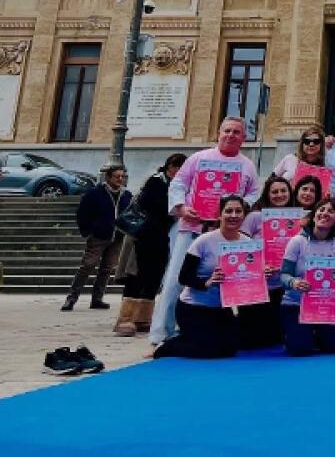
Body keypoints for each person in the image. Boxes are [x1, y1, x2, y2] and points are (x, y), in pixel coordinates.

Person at [150, 118, 258, 347]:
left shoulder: (247, 165)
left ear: (243, 138)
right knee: (174, 281)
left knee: (225, 280)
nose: (231, 135)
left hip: (226, 234)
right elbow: (178, 184)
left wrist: (242, 207)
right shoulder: (198, 158)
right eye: (227, 131)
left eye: (236, 132)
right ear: (218, 133)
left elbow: (254, 193)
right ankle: (162, 333)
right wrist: (181, 208)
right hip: (193, 228)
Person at [152, 194, 254, 360]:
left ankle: (189, 338)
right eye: (228, 211)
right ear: (220, 215)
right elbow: (184, 277)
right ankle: (168, 346)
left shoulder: (248, 243)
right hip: (194, 307)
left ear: (244, 215)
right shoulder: (204, 241)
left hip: (221, 308)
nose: (233, 215)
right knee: (208, 350)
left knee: (230, 349)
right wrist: (207, 282)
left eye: (238, 211)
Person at [114, 153, 187, 336]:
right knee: (136, 275)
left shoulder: (179, 186)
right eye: (175, 167)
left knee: (154, 276)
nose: (177, 171)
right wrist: (174, 209)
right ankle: (126, 319)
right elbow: (150, 203)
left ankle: (143, 318)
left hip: (163, 237)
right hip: (143, 235)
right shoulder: (156, 181)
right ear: (169, 166)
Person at [280, 196, 335, 357]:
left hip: (325, 304)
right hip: (295, 303)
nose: (325, 214)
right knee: (299, 349)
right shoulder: (297, 241)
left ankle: (316, 333)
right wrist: (294, 282)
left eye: (331, 211)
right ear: (314, 214)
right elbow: (283, 275)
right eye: (321, 209)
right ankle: (297, 334)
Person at [64, 164, 132, 312]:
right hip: (98, 237)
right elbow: (82, 214)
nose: (120, 179)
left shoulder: (126, 195)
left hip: (117, 238)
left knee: (107, 269)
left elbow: (129, 214)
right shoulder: (95, 193)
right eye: (117, 176)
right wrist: (88, 232)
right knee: (87, 265)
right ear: (108, 177)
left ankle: (97, 299)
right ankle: (71, 298)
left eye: (122, 177)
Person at [238, 175, 292, 348]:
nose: (279, 195)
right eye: (274, 191)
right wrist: (257, 266)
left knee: (274, 339)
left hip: (282, 286)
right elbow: (240, 246)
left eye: (283, 191)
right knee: (252, 340)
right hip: (256, 285)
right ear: (267, 194)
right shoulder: (255, 217)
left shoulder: (296, 219)